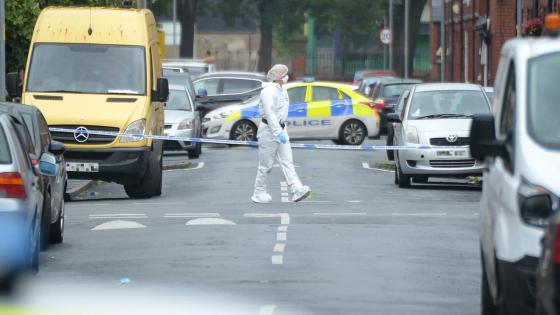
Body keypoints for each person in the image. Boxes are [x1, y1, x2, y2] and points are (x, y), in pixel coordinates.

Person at [251, 64, 311, 203]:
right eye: (284, 75)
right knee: (266, 165)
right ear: (277, 77)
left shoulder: (281, 90)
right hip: (268, 131)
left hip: (281, 129)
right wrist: (277, 132)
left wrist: (282, 130)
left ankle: (296, 189)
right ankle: (258, 192)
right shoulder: (268, 91)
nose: (286, 77)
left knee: (287, 162)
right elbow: (269, 113)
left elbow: (281, 112)